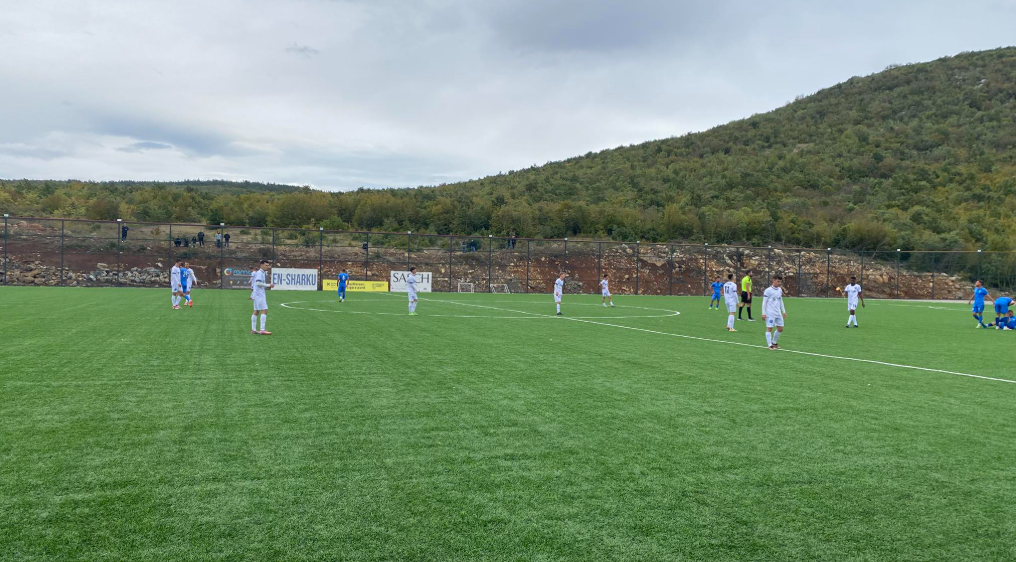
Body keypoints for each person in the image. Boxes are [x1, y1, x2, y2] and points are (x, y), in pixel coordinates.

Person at [762, 275, 787, 350]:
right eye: (778, 281)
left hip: (778, 313)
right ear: (773, 280)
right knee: (769, 328)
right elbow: (764, 302)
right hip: (770, 313)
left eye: (780, 282)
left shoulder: (779, 290)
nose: (779, 283)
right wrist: (763, 313)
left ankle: (774, 342)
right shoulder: (768, 290)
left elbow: (780, 300)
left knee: (780, 328)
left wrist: (784, 311)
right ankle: (770, 345)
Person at [251, 260, 275, 335]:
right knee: (264, 310)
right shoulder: (260, 273)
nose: (267, 267)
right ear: (261, 265)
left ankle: (253, 329)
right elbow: (258, 283)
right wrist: (268, 285)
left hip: (257, 294)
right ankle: (262, 330)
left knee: (256, 311)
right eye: (266, 265)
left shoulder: (261, 273)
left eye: (268, 265)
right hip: (259, 295)